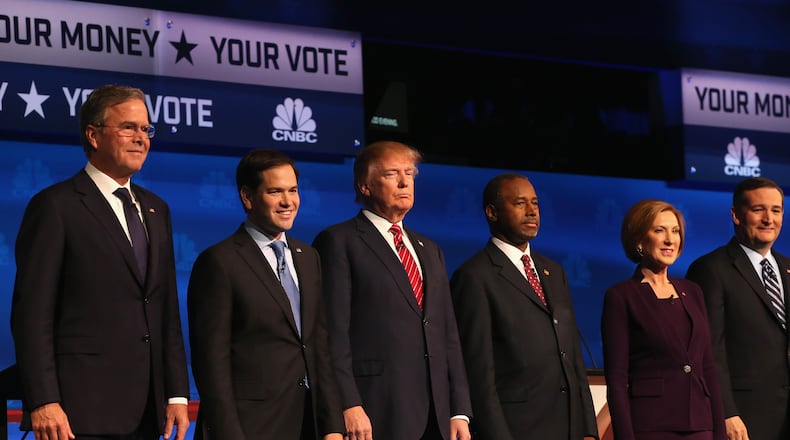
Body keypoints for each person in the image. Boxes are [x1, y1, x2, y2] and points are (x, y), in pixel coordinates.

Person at [10, 84, 190, 440]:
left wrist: (176, 392)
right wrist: (44, 400)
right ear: (93, 135)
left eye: (146, 129)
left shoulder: (157, 210)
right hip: (78, 414)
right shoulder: (56, 207)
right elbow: (32, 313)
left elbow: (165, 308)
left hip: (147, 411)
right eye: (128, 127)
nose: (141, 138)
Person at [312, 140, 472, 440]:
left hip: (436, 416)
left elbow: (447, 333)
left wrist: (458, 409)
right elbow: (333, 333)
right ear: (365, 186)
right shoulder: (339, 242)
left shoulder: (430, 249)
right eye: (391, 174)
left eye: (409, 174)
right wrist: (348, 404)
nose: (404, 182)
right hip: (376, 410)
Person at [187, 148, 344, 440]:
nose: (288, 201)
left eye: (293, 190)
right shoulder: (220, 261)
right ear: (248, 197)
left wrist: (333, 425)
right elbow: (211, 361)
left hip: (308, 424)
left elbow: (318, 347)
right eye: (275, 191)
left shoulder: (309, 258)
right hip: (251, 427)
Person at [450, 173, 598, 440]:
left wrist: (588, 429)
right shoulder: (474, 277)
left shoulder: (553, 271)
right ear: (492, 212)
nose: (532, 211)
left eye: (535, 203)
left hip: (569, 428)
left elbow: (573, 358)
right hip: (518, 429)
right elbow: (479, 374)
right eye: (520, 203)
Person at [602, 199, 725, 440]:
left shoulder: (693, 291)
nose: (670, 239)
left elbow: (708, 368)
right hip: (651, 425)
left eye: (675, 231)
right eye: (660, 230)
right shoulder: (622, 296)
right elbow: (617, 379)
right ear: (639, 239)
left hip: (701, 425)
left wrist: (719, 432)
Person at [686, 176, 790, 440]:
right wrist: (726, 412)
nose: (769, 219)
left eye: (776, 210)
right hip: (745, 417)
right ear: (736, 215)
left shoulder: (788, 269)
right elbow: (709, 349)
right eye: (758, 210)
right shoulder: (711, 269)